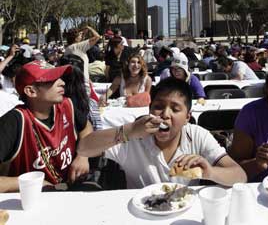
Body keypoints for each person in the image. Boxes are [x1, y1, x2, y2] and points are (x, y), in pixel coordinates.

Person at [78, 77, 247, 188]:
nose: (165, 114)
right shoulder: (133, 136)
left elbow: (240, 176)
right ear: (150, 109)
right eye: (158, 107)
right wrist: (128, 131)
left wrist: (210, 171)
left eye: (175, 109)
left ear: (188, 117)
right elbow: (84, 148)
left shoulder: (196, 135)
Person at [0, 61, 92, 192]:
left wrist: (83, 155)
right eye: (52, 80)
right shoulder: (13, 121)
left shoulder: (66, 105)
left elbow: (86, 128)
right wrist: (32, 183)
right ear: (31, 91)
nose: (62, 83)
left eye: (60, 77)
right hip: (30, 201)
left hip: (69, 190)